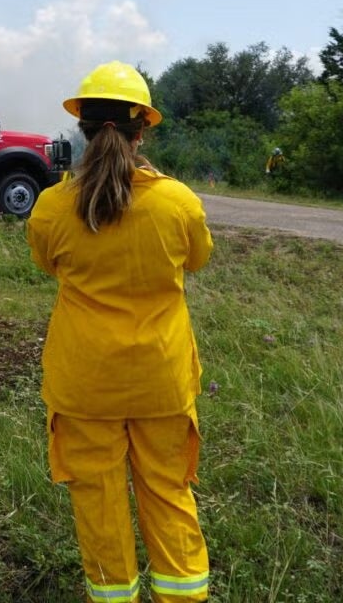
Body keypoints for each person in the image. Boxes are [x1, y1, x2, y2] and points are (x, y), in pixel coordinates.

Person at [26, 61, 214, 603]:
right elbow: (197, 260)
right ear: (143, 127)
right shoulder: (178, 202)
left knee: (98, 500)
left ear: (81, 127)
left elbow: (48, 264)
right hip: (161, 379)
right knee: (167, 490)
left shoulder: (52, 207)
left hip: (85, 384)